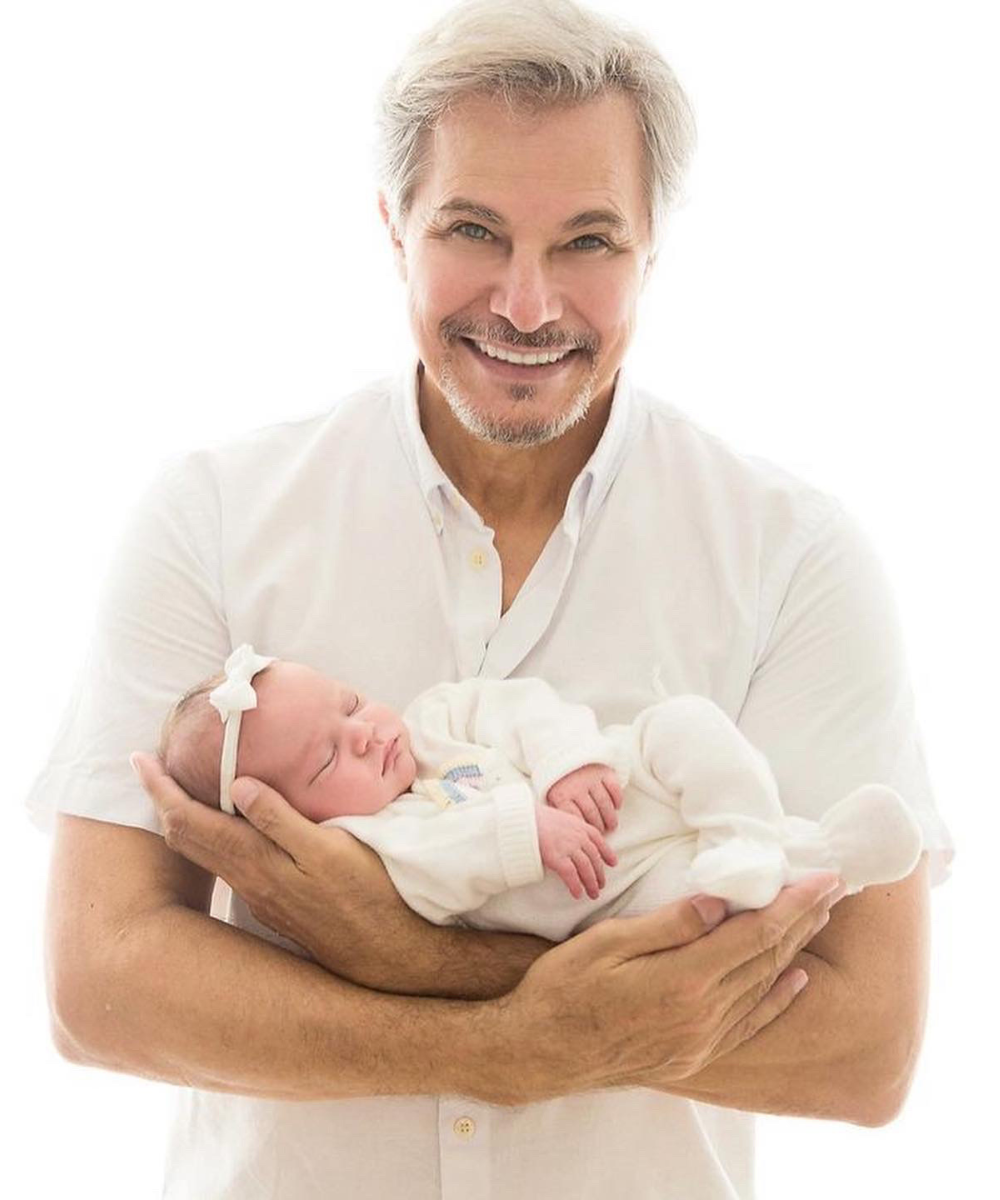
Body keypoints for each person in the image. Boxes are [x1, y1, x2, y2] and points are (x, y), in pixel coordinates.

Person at [30, 1, 954, 1197]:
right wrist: (504, 1045)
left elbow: (862, 1049)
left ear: (651, 248)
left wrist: (408, 955)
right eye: (472, 228)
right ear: (393, 229)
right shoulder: (214, 514)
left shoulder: (793, 557)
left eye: (587, 241)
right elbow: (102, 986)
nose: (525, 305)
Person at [159, 645, 923, 935]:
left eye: (352, 704)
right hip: (608, 890)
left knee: (685, 724)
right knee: (686, 913)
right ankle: (823, 857)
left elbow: (516, 702)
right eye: (327, 761)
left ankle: (750, 829)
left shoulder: (434, 719)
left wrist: (566, 762)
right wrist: (531, 830)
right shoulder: (370, 847)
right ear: (285, 819)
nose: (365, 733)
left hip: (626, 786)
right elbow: (443, 864)